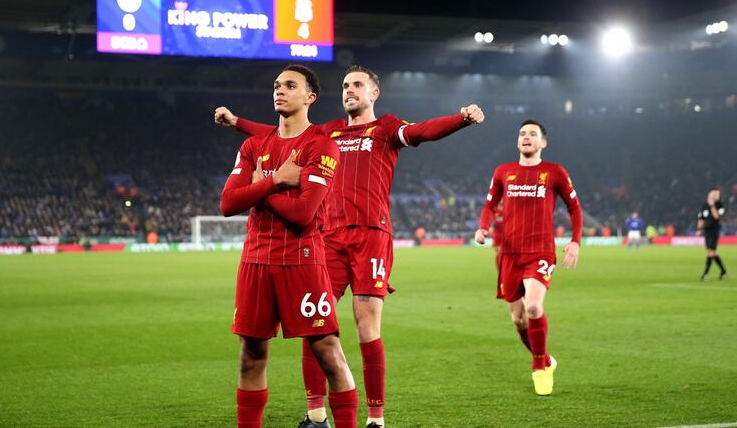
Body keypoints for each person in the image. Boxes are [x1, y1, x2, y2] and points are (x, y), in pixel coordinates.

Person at [216, 65, 485, 428]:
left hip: (371, 234)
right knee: (315, 330)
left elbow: (422, 131)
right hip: (327, 236)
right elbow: (277, 133)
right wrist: (238, 123)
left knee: (365, 324)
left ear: (374, 93)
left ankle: (375, 418)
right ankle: (315, 414)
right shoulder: (328, 132)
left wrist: (461, 119)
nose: (350, 90)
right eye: (345, 85)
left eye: (358, 85)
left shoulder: (386, 127)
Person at [220, 65, 358, 428]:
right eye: (277, 85)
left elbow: (302, 212)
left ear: (309, 97)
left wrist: (259, 187)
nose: (279, 91)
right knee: (251, 356)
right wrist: (276, 181)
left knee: (328, 353)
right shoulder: (253, 145)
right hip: (255, 260)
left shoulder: (321, 145)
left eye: (290, 85)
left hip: (303, 261)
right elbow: (228, 204)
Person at [474, 119, 582, 396]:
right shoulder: (503, 172)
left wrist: (575, 242)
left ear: (543, 142)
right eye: (522, 133)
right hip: (509, 254)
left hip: (540, 251)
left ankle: (538, 367)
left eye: (532, 134)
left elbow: (575, 208)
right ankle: (546, 359)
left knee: (533, 307)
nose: (526, 137)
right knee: (518, 319)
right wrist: (483, 227)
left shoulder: (554, 172)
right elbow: (489, 204)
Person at [697, 188, 727, 281]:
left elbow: (717, 216)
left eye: (715, 194)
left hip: (714, 230)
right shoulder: (704, 205)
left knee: (710, 252)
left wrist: (712, 205)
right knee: (712, 253)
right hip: (706, 231)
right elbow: (701, 217)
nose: (714, 195)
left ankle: (705, 274)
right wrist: (698, 229)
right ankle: (723, 271)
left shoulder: (719, 205)